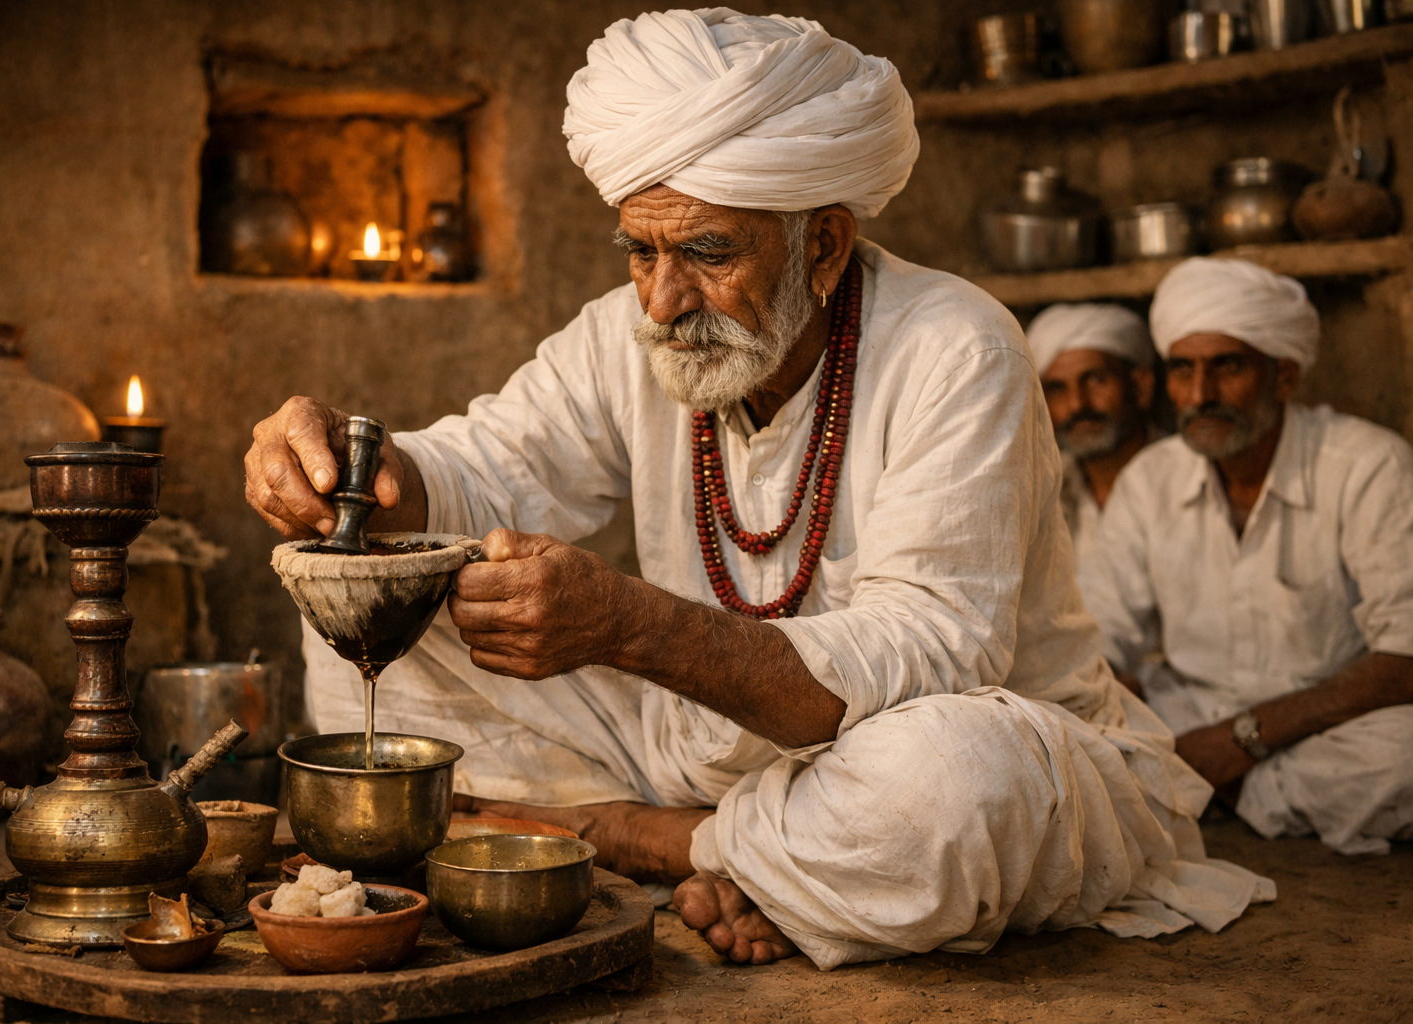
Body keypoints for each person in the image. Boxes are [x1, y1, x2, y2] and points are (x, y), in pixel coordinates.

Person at [245, 10, 1270, 969]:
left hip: (924, 745)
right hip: (703, 743)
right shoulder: (629, 334)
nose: (660, 299)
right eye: (640, 251)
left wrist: (629, 627)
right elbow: (492, 464)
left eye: (705, 252)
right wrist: (368, 471)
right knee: (376, 601)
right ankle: (751, 859)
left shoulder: (955, 345)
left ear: (822, 245)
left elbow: (934, 655)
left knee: (958, 786)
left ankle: (634, 841)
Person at [1083, 257, 1413, 856]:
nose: (1200, 395)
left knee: (1405, 753)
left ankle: (1214, 793)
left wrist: (1238, 743)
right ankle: (1242, 792)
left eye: (1226, 366)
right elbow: (1101, 637)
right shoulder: (1150, 481)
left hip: (1327, 722)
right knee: (1069, 731)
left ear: (1283, 376)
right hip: (1188, 713)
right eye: (1182, 370)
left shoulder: (1368, 466)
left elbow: (1405, 655)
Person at [1027, 303, 1158, 591]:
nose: (1078, 405)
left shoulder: (1185, 480)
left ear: (1141, 386)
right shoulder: (1043, 491)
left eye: (1096, 380)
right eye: (1058, 389)